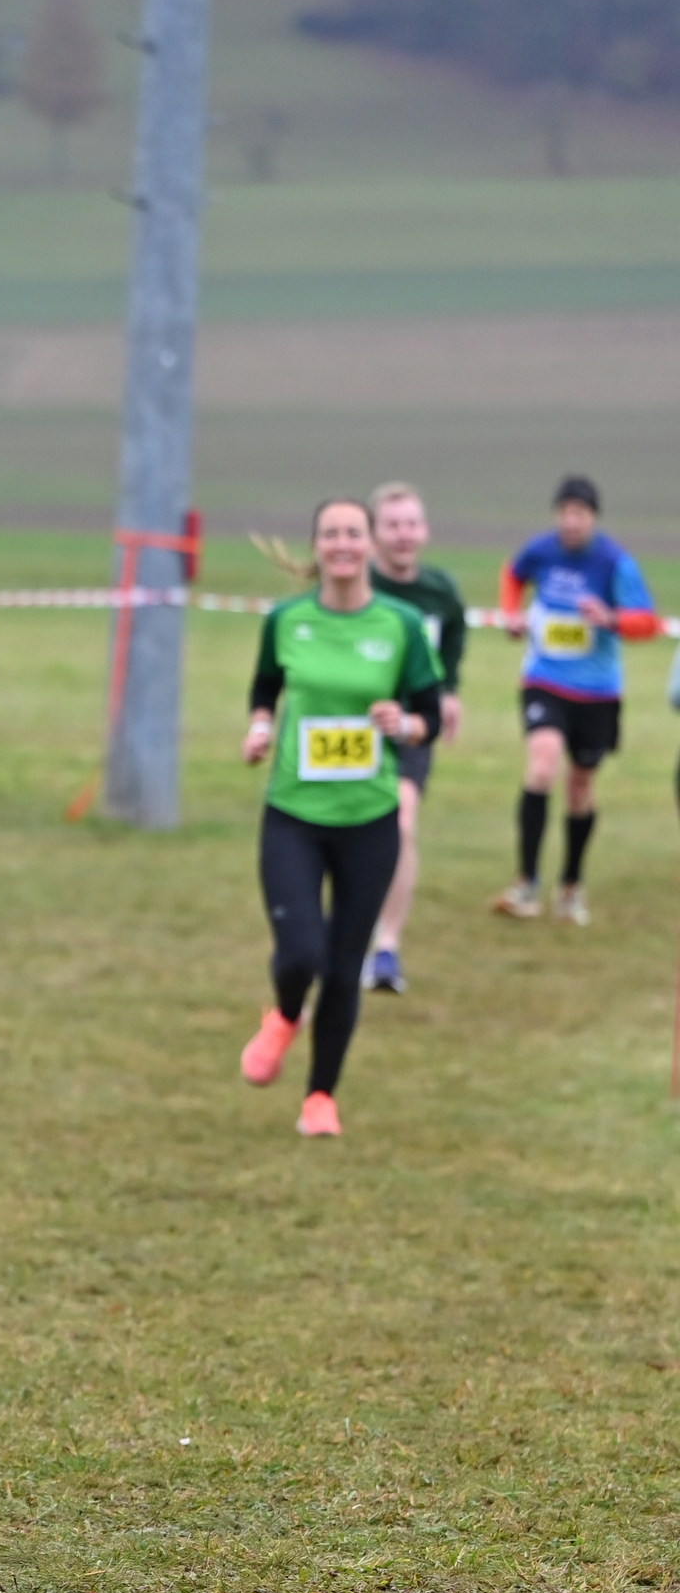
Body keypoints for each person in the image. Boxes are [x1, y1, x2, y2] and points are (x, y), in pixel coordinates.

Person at [237, 496, 442, 1139]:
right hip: (294, 813)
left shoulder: (401, 624)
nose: (344, 544)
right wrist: (260, 727)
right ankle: (284, 1014)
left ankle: (320, 1097)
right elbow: (265, 688)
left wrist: (403, 723)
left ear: (371, 544)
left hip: (369, 818)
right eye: (332, 534)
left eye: (355, 533)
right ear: (317, 545)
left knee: (346, 961)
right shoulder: (286, 620)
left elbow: (430, 717)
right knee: (302, 951)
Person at [491, 473, 658, 925]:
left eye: (579, 513)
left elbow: (647, 623)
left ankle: (570, 885)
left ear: (593, 517)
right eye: (564, 512)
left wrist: (611, 618)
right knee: (542, 764)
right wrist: (511, 614)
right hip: (545, 679)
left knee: (580, 785)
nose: (570, 521)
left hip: (597, 691)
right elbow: (512, 574)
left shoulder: (614, 563)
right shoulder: (540, 550)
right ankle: (526, 883)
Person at [361, 480, 466, 995]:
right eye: (392, 525)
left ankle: (386, 948)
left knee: (400, 824)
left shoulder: (440, 592)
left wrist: (449, 692)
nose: (403, 535)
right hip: (352, 727)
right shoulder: (358, 585)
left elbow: (454, 639)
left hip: (410, 728)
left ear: (424, 531)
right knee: (346, 832)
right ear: (373, 534)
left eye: (411, 524)